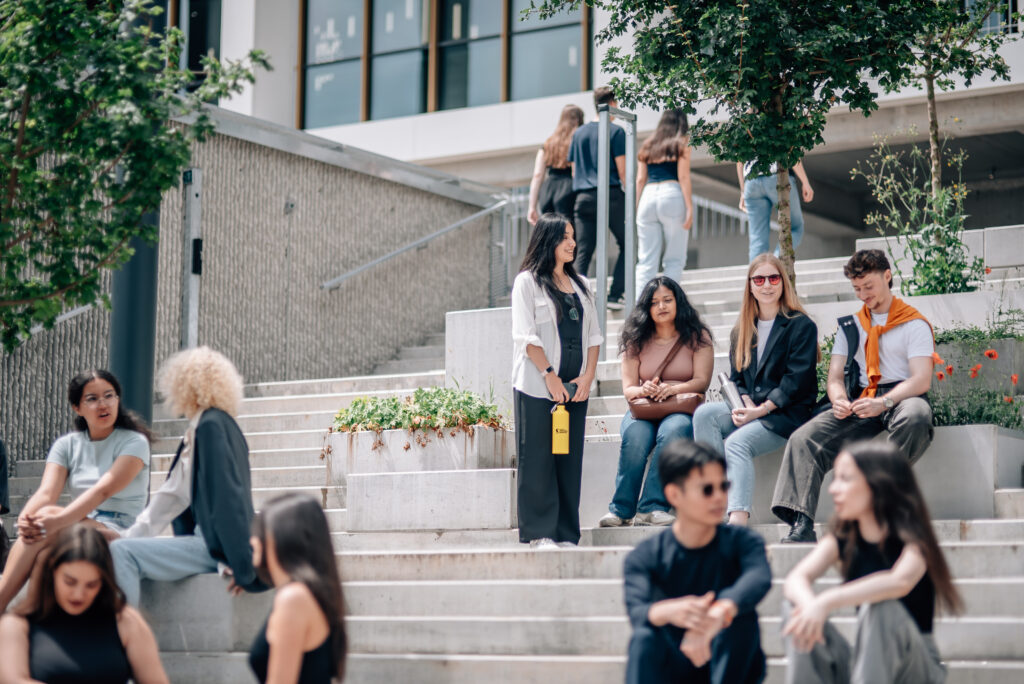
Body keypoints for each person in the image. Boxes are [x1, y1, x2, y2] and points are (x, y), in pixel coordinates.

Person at [772, 249, 934, 543]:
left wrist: (884, 402)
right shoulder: (850, 326)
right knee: (803, 437)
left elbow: (921, 378)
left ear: (887, 276)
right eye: (857, 289)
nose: (863, 295)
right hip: (861, 396)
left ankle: (876, 500)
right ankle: (801, 523)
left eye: (868, 287)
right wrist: (838, 400)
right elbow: (835, 378)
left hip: (901, 395)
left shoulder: (914, 323)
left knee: (916, 417)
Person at [781, 441, 962, 684]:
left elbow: (899, 582)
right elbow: (796, 579)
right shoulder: (843, 538)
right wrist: (810, 606)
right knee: (795, 609)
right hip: (870, 667)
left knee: (882, 606)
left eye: (845, 479)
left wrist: (826, 600)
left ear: (878, 484)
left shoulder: (915, 540)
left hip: (916, 670)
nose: (833, 489)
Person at [110, 346, 269, 605]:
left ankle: (123, 637)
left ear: (184, 386)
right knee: (120, 547)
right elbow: (172, 495)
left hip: (213, 544)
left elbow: (227, 499)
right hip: (209, 542)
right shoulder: (211, 427)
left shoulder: (211, 428)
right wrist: (130, 535)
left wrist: (238, 562)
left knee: (120, 552)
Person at [0, 370, 152, 613]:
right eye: (92, 399)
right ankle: (27, 620)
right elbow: (46, 492)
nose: (103, 404)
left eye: (109, 396)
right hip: (80, 524)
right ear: (76, 408)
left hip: (122, 530)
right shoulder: (67, 445)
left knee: (48, 521)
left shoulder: (134, 442)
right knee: (44, 549)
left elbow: (103, 490)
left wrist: (55, 519)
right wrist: (25, 520)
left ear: (118, 400)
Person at [623, 440, 771, 684]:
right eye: (706, 490)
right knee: (644, 638)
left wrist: (719, 612)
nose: (719, 497)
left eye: (724, 487)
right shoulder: (646, 556)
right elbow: (637, 609)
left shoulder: (743, 542)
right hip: (675, 663)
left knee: (738, 622)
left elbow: (758, 579)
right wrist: (671, 611)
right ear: (674, 494)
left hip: (728, 664)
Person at [693, 254, 818, 526]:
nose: (766, 285)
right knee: (704, 415)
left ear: (783, 283)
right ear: (750, 286)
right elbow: (737, 378)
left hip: (785, 414)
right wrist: (743, 402)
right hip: (753, 409)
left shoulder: (801, 326)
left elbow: (795, 381)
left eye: (773, 278)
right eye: (759, 279)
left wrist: (761, 410)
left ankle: (738, 517)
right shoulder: (742, 330)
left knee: (737, 443)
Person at [511, 213, 603, 549]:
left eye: (573, 236)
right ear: (548, 240)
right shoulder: (527, 282)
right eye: (565, 237)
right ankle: (540, 533)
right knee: (538, 458)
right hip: (537, 386)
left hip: (574, 390)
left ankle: (566, 533)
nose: (572, 243)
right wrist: (550, 376)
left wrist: (588, 377)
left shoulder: (582, 285)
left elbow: (594, 337)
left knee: (567, 458)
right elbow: (526, 337)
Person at [599, 276, 713, 528]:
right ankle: (620, 510)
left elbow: (701, 381)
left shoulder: (697, 336)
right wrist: (646, 388)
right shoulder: (635, 338)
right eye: (654, 302)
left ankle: (652, 507)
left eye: (667, 300)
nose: (661, 306)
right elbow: (628, 389)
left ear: (678, 302)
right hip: (645, 408)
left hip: (680, 408)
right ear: (646, 308)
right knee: (636, 437)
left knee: (675, 430)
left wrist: (671, 389)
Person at [0, 524, 169, 684]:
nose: (79, 594)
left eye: (91, 584)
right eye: (70, 582)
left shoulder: (126, 621)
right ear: (52, 573)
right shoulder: (17, 625)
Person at [249, 493, 347, 684]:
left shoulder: (294, 598)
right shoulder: (305, 593)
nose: (253, 539)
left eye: (260, 531)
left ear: (282, 539)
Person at [569, 85, 627, 308]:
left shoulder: (578, 133)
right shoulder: (616, 131)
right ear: (612, 104)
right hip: (610, 195)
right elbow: (622, 172)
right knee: (629, 244)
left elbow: (574, 170)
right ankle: (615, 295)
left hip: (583, 197)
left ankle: (574, 298)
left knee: (583, 250)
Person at [635, 109, 694, 294]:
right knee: (674, 259)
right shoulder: (682, 143)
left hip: (648, 196)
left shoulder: (647, 144)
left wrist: (634, 208)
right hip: (672, 194)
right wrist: (690, 207)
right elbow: (684, 176)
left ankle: (639, 309)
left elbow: (639, 180)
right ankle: (669, 303)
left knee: (646, 260)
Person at [736, 160, 814, 262]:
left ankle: (757, 276)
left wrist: (743, 191)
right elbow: (791, 152)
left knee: (757, 239)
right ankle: (777, 261)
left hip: (751, 181)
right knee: (795, 228)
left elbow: (739, 161)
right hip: (777, 174)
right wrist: (805, 182)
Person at [527, 104, 585, 225]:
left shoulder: (548, 143)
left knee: (550, 231)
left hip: (548, 190)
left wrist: (531, 207)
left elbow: (537, 175)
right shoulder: (576, 141)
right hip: (568, 187)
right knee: (568, 231)